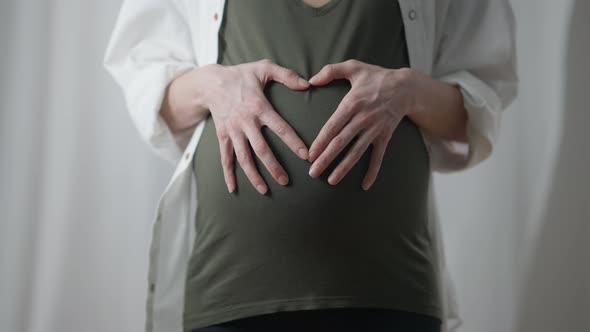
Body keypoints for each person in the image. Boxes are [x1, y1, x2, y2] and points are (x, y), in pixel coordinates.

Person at [103, 1, 518, 332]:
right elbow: (149, 91)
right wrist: (212, 85)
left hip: (390, 289)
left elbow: (479, 110)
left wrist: (407, 90)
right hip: (230, 290)